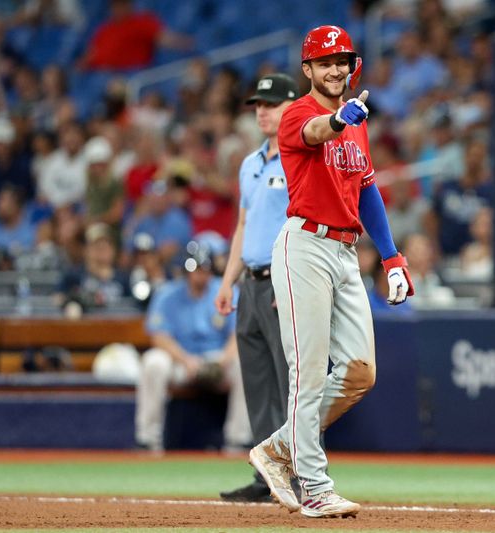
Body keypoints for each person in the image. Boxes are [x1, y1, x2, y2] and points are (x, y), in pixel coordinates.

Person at [247, 25, 414, 519]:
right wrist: (338, 120)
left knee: (361, 372)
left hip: (345, 252)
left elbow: (367, 190)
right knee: (309, 374)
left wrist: (391, 257)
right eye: (325, 62)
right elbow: (315, 132)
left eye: (342, 60)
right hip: (305, 246)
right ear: (308, 70)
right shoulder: (300, 111)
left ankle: (278, 448)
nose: (336, 68)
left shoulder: (356, 120)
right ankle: (315, 486)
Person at [216, 73, 300, 503]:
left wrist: (290, 278)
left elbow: (302, 224)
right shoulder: (251, 162)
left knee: (292, 383)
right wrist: (228, 280)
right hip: (250, 281)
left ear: (292, 106)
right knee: (259, 383)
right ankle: (265, 475)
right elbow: (243, 225)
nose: (262, 110)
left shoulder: (300, 156)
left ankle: (301, 474)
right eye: (258, 104)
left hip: (281, 279)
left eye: (271, 103)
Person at [135, 243, 250, 452]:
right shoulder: (168, 294)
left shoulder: (225, 290)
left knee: (244, 364)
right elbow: (159, 337)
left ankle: (238, 439)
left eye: (203, 269)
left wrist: (223, 361)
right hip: (181, 360)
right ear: (185, 270)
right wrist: (185, 360)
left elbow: (237, 335)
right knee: (153, 362)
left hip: (216, 359)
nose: (199, 274)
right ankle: (148, 439)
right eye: (194, 269)